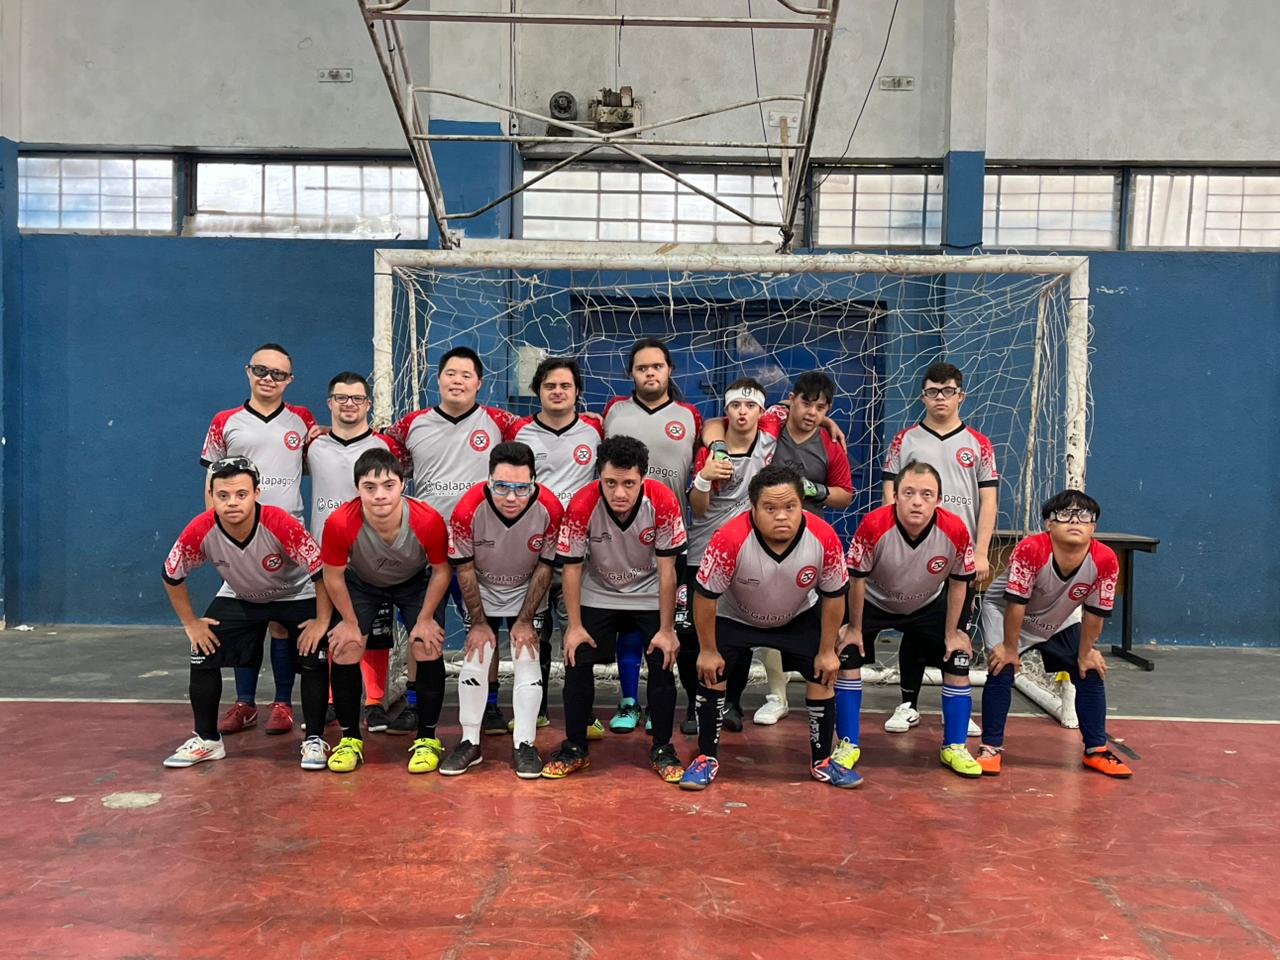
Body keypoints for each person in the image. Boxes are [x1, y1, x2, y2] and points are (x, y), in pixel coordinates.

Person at [679, 464, 856, 790]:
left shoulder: (824, 537)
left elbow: (834, 597)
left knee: (823, 672)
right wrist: (707, 650)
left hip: (796, 616)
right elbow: (705, 597)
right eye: (770, 508)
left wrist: (828, 650)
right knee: (712, 671)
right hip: (736, 617)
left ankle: (822, 761)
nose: (782, 516)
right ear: (754, 507)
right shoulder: (728, 538)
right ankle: (706, 758)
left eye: (790, 506)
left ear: (802, 505)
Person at [161, 457, 331, 770]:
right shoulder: (201, 528)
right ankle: (208, 740)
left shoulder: (280, 523)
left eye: (241, 494)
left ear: (256, 493)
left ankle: (315, 739)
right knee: (202, 647)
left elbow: (322, 570)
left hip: (295, 594)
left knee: (314, 651)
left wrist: (322, 621)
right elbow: (172, 574)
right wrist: (191, 624)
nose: (232, 503)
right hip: (241, 596)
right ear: (211, 496)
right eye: (223, 496)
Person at [706, 370, 854, 730]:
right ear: (791, 399)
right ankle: (769, 697)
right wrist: (718, 447)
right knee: (749, 615)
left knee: (800, 615)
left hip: (807, 542)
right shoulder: (772, 421)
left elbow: (845, 495)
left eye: (821, 408)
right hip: (756, 537)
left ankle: (807, 692)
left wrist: (813, 490)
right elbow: (714, 422)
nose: (811, 412)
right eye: (806, 402)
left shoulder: (830, 444)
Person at [386, 346, 517, 736]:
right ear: (438, 379)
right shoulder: (411, 426)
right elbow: (375, 454)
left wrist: (589, 421)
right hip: (425, 547)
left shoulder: (501, 422)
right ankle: (414, 703)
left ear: (479, 382)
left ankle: (490, 705)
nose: (457, 381)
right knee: (421, 626)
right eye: (450, 373)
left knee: (485, 626)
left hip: (481, 547)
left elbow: (545, 428)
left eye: (466, 375)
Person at [543, 435, 686, 782]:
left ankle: (663, 747)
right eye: (610, 483)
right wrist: (574, 627)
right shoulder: (582, 504)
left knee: (663, 662)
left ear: (643, 478)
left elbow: (669, 571)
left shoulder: (662, 500)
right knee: (577, 659)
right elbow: (572, 569)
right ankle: (575, 746)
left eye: (628, 483)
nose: (619, 493)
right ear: (599, 477)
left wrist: (667, 631)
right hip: (599, 593)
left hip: (649, 592)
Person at [837, 461, 982, 782]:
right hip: (873, 601)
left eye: (926, 494)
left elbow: (960, 582)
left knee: (957, 657)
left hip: (928, 603)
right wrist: (856, 629)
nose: (917, 501)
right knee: (846, 655)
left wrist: (954, 631)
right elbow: (856, 580)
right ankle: (847, 743)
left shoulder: (955, 529)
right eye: (909, 493)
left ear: (939, 500)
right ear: (895, 497)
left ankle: (955, 746)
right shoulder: (873, 525)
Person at [200, 343, 317, 737]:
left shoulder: (302, 419)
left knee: (282, 625)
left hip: (288, 540)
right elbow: (212, 480)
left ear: (290, 380)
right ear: (248, 372)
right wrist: (218, 528)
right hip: (241, 540)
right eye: (261, 371)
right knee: (246, 624)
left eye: (278, 374)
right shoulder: (225, 421)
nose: (269, 379)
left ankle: (283, 704)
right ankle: (245, 703)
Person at [976, 489, 1131, 778]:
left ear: (1093, 527)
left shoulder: (1106, 559)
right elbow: (1015, 603)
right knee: (1002, 667)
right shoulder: (1031, 549)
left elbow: (1096, 614)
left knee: (1090, 670)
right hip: (1007, 612)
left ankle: (1096, 750)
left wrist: (1086, 653)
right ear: (1049, 523)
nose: (1075, 520)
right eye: (1064, 514)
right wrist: (1009, 648)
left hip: (1055, 619)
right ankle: (990, 747)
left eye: (1084, 516)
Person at [882, 361, 997, 737]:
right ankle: (908, 704)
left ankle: (955, 706)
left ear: (961, 395)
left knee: (956, 631)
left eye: (948, 391)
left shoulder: (978, 444)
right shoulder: (905, 440)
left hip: (959, 554)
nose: (940, 398)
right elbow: (889, 497)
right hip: (914, 551)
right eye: (933, 391)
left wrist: (980, 553)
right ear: (923, 395)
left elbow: (989, 502)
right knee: (916, 629)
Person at [321, 448, 452, 774]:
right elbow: (332, 575)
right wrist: (350, 622)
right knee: (346, 646)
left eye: (388, 485)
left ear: (402, 484)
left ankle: (428, 738)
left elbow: (441, 570)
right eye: (370, 487)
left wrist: (424, 619)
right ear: (357, 489)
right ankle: (350, 738)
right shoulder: (339, 522)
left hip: (414, 583)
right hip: (363, 583)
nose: (380, 495)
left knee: (426, 645)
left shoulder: (427, 519)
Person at [442, 442, 563, 779]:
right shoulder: (467, 510)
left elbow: (545, 567)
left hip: (527, 587)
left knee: (527, 653)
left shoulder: (550, 509)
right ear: (489, 480)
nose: (512, 497)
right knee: (477, 654)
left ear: (534, 483)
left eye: (522, 488)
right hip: (482, 587)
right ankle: (469, 742)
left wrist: (525, 620)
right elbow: (463, 570)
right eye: (502, 487)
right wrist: (479, 623)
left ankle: (524, 744)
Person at [600, 339, 701, 734]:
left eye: (657, 366)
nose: (650, 373)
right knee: (628, 627)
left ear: (669, 369)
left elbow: (724, 431)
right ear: (631, 374)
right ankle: (629, 702)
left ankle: (692, 705)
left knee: (678, 628)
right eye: (642, 367)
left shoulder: (691, 415)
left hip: (670, 542)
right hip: (618, 542)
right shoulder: (611, 412)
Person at [307, 371, 410, 733]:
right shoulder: (313, 445)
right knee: (336, 630)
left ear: (368, 404)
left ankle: (375, 702)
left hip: (372, 557)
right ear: (330, 403)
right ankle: (336, 700)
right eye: (341, 397)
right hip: (326, 556)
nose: (349, 404)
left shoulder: (384, 447)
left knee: (376, 632)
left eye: (357, 398)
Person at [504, 357, 603, 731]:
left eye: (565, 386)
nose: (557, 392)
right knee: (535, 632)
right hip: (533, 552)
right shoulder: (520, 432)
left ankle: (585, 714)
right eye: (549, 386)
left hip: (581, 552)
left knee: (579, 633)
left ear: (577, 391)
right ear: (538, 392)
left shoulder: (595, 430)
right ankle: (536, 708)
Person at [681, 378, 783, 734]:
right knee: (694, 634)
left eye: (750, 406)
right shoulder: (708, 449)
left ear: (761, 411)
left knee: (739, 634)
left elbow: (800, 410)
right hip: (704, 550)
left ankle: (732, 703)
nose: (743, 412)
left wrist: (829, 422)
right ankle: (696, 705)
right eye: (736, 406)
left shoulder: (770, 434)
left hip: (748, 552)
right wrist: (705, 478)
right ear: (726, 410)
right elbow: (698, 508)